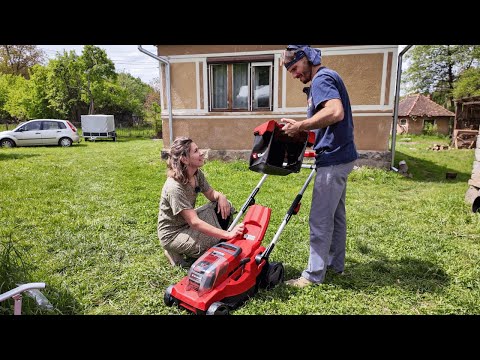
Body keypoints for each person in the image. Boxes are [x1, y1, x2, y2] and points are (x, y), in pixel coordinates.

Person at [280, 45, 358, 287]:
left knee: (320, 219)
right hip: (342, 155)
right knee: (336, 216)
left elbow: (335, 112)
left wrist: (301, 125)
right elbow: (330, 121)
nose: (294, 75)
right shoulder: (328, 77)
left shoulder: (321, 79)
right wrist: (305, 131)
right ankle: (335, 266)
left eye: (294, 68)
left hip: (334, 159)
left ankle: (313, 276)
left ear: (306, 59)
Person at [157, 136, 245, 268]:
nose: (201, 153)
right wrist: (228, 234)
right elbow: (195, 222)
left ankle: (223, 239)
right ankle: (173, 250)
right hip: (173, 233)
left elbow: (211, 194)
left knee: (225, 206)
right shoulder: (174, 187)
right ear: (185, 159)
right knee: (210, 246)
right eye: (196, 151)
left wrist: (221, 196)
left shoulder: (196, 174)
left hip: (187, 222)